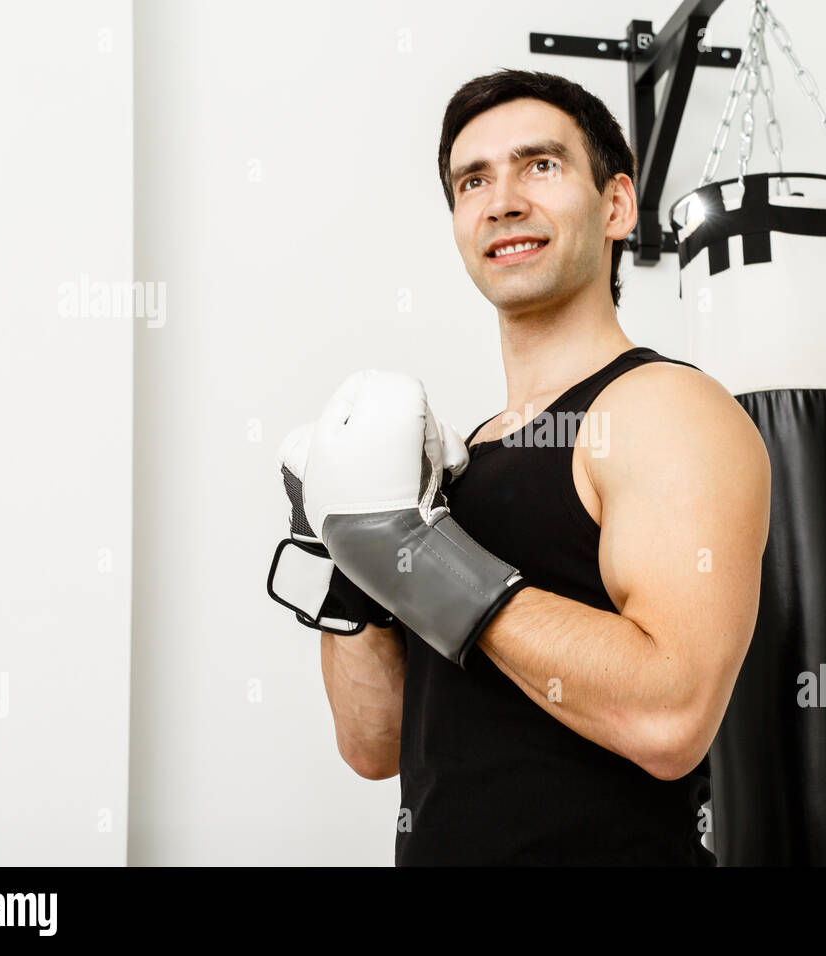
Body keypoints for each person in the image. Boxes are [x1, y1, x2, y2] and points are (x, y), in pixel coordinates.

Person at [269, 69, 771, 865]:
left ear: (615, 205)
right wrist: (343, 551)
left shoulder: (664, 409)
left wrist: (426, 555)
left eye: (540, 165)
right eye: (474, 180)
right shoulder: (448, 469)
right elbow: (375, 745)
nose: (503, 200)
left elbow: (673, 719)